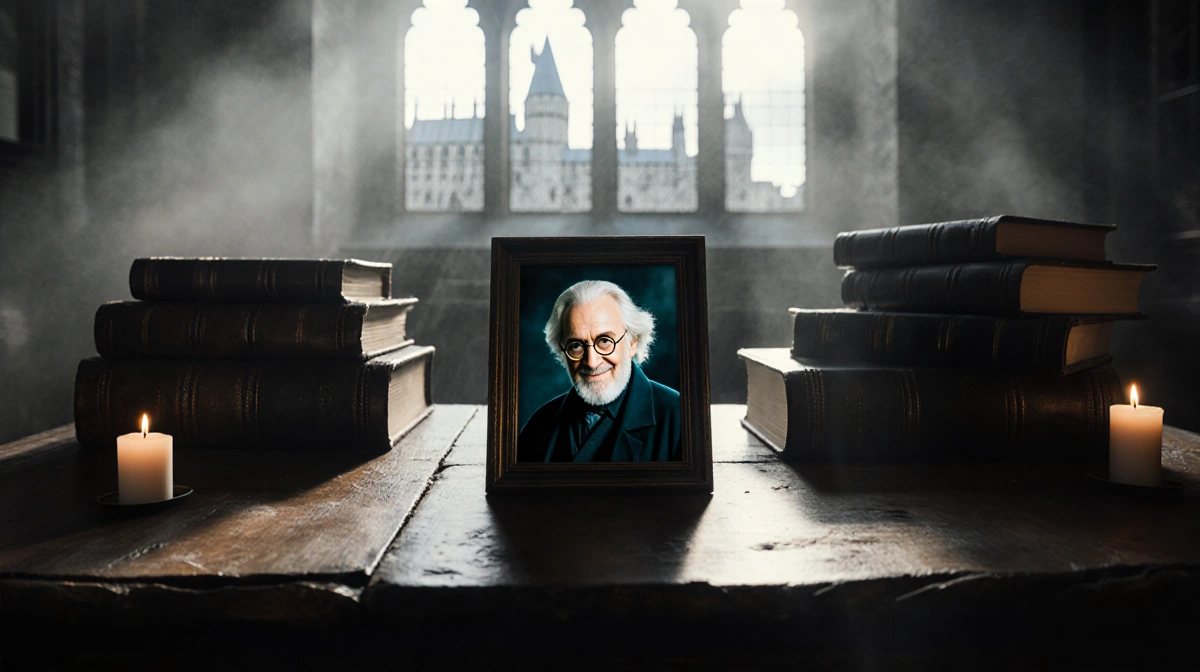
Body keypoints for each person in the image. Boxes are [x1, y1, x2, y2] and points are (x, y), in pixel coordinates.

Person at [517, 280, 681, 463]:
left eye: (604, 341)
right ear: (562, 352)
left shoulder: (679, 418)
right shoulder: (538, 426)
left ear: (632, 342)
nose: (592, 362)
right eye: (576, 346)